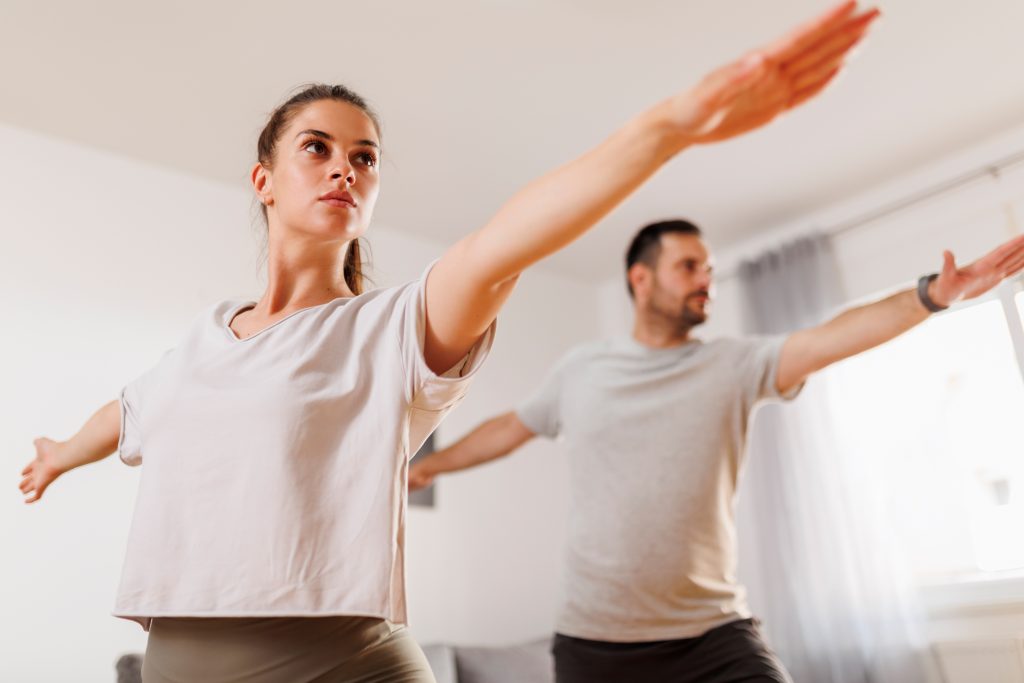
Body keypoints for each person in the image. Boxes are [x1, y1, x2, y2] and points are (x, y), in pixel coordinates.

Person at [18, 3, 879, 681]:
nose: (345, 167)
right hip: (176, 661)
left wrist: (669, 129)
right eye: (317, 148)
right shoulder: (202, 342)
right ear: (264, 180)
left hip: (345, 662)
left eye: (365, 157)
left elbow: (507, 241)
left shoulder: (390, 328)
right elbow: (131, 411)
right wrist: (59, 452)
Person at [408, 219, 1024, 683]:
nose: (707, 280)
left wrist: (931, 295)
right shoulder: (583, 370)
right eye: (689, 267)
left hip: (714, 635)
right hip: (594, 643)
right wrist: (426, 466)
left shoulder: (734, 364)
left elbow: (831, 339)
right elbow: (511, 428)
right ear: (640, 278)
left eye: (708, 268)